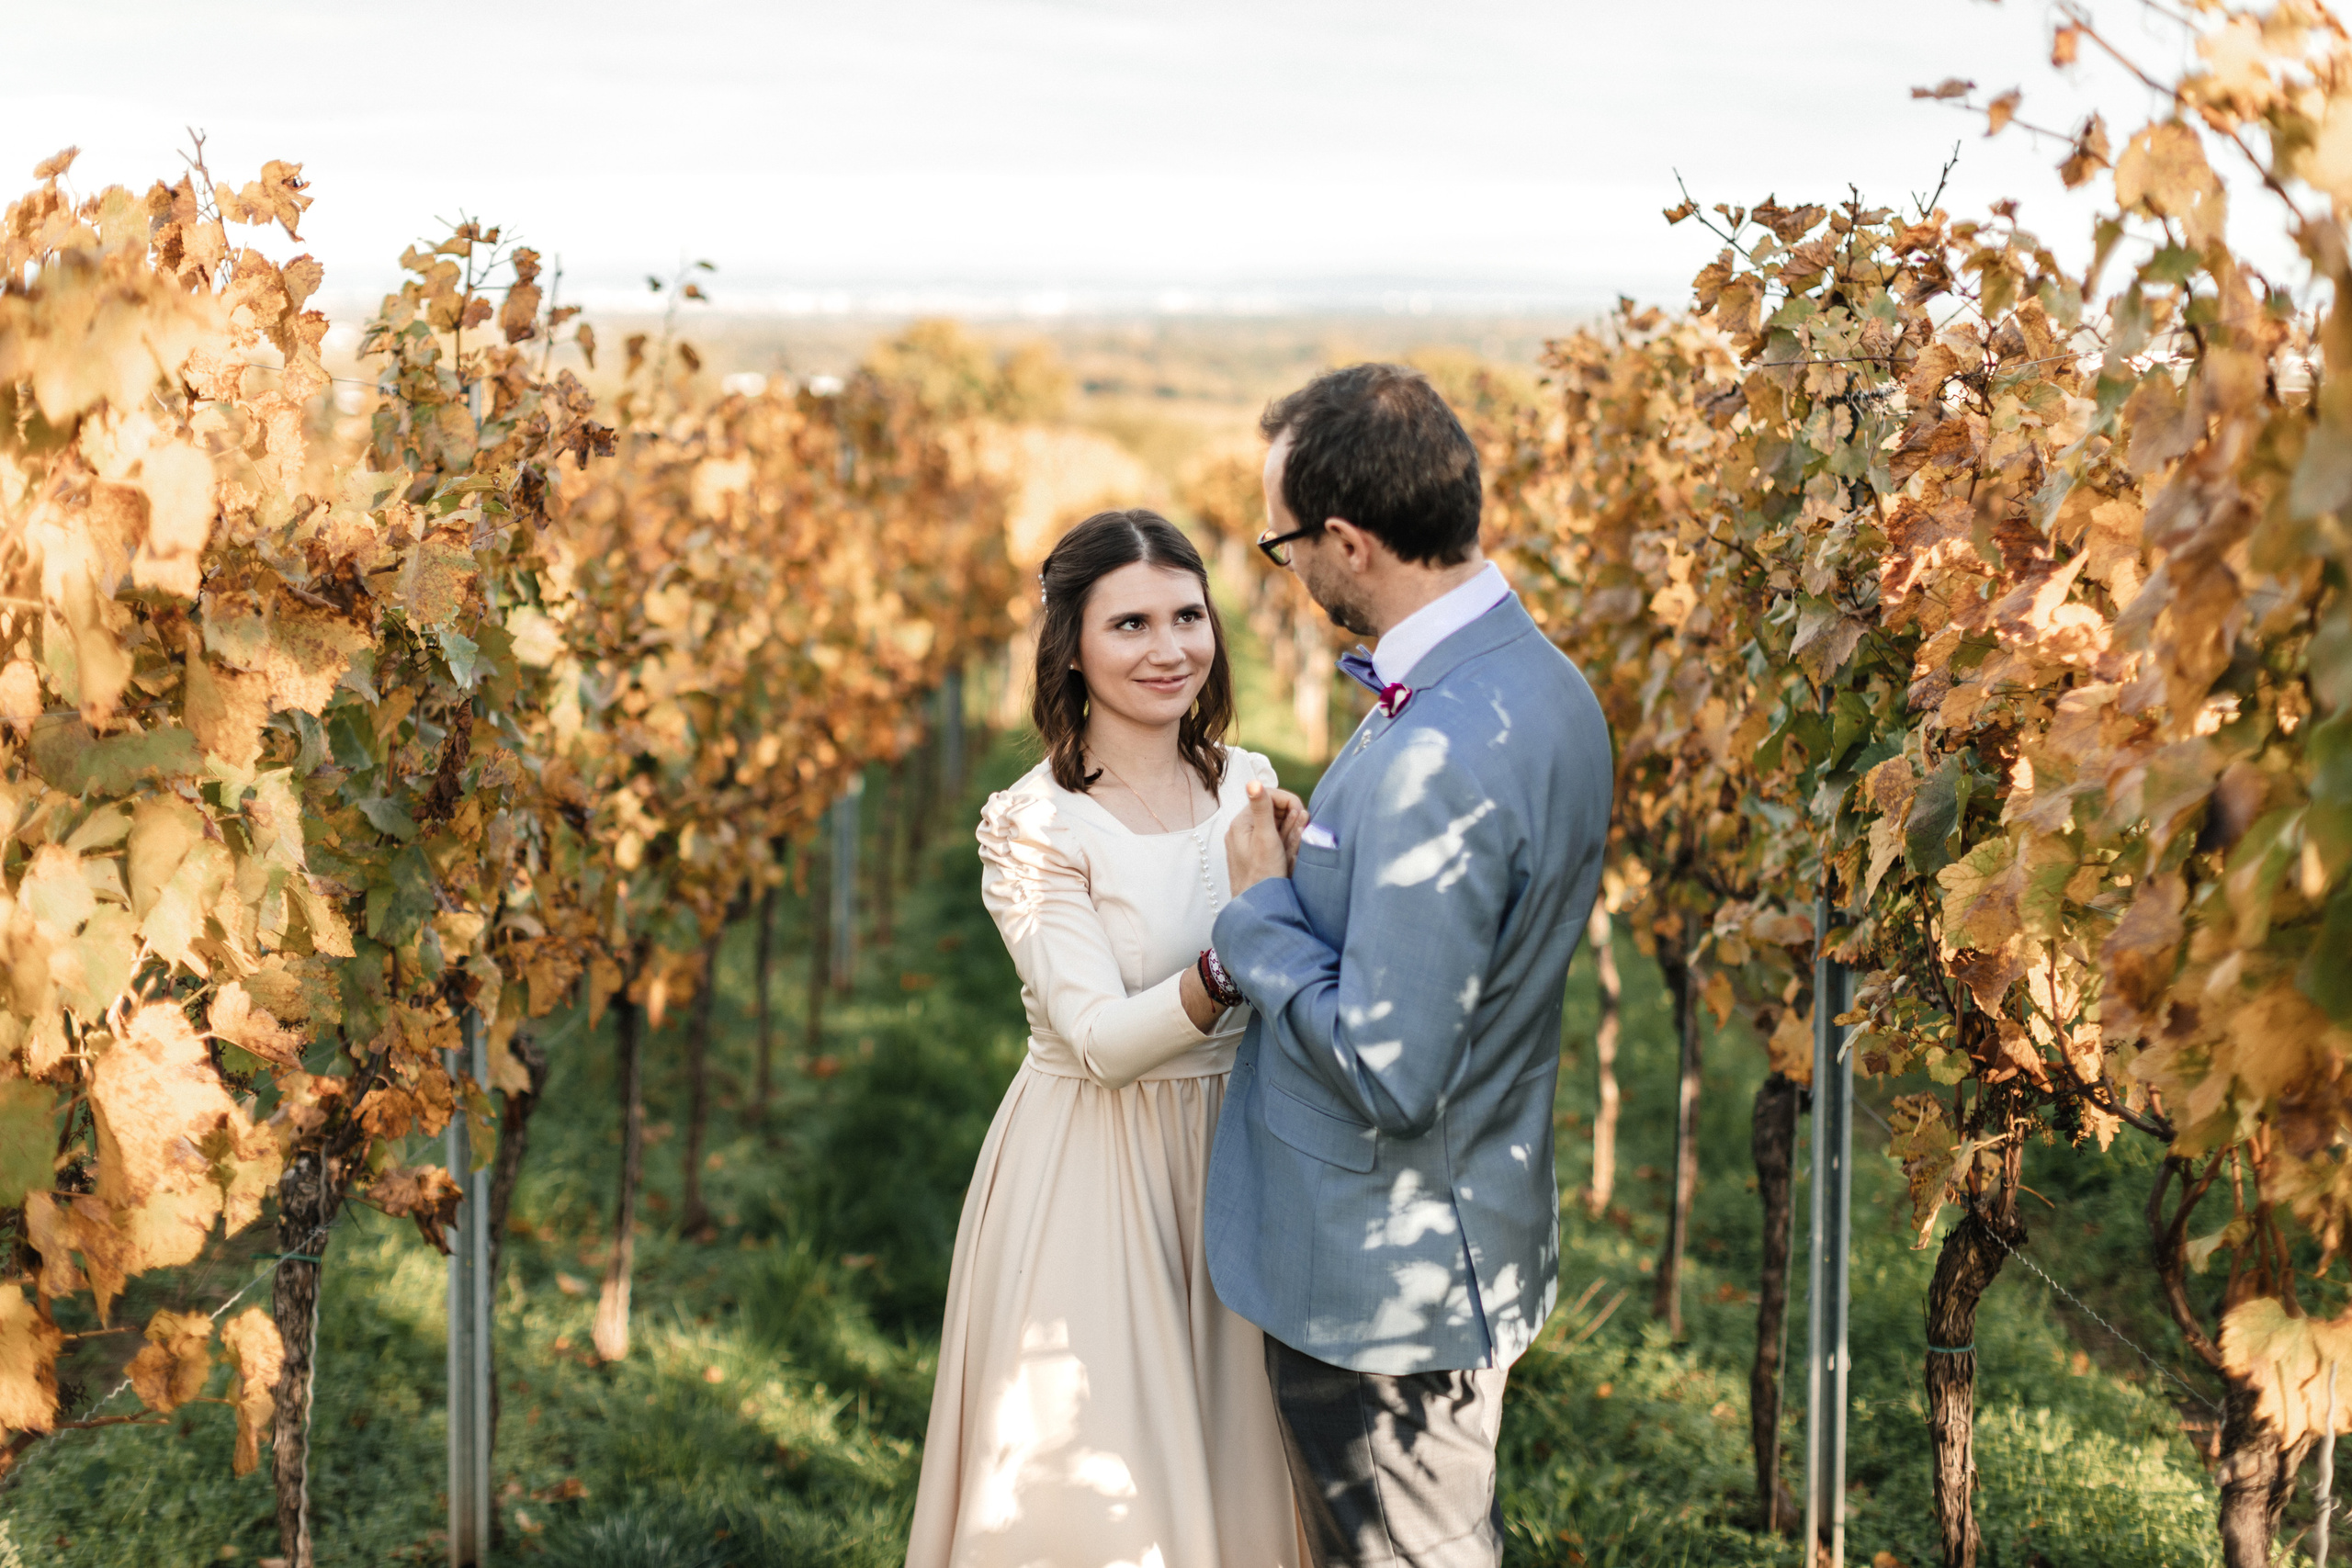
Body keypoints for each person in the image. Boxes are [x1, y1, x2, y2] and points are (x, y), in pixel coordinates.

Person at [1202, 365, 1613, 1568]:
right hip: (1471, 1220)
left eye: (1288, 547)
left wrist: (1261, 910)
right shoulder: (1546, 684)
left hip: (1386, 1281)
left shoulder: (1438, 745)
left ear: (1348, 539)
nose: (1292, 575)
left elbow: (1392, 1067)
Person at [907, 509, 1307, 1568]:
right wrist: (1243, 950)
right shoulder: (1035, 825)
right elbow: (1097, 1039)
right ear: (1071, 647)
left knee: (1242, 1472)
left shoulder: (1249, 784)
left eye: (1187, 615)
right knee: (1098, 1487)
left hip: (1243, 1154)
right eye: (1129, 624)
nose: (1168, 649)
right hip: (1097, 1166)